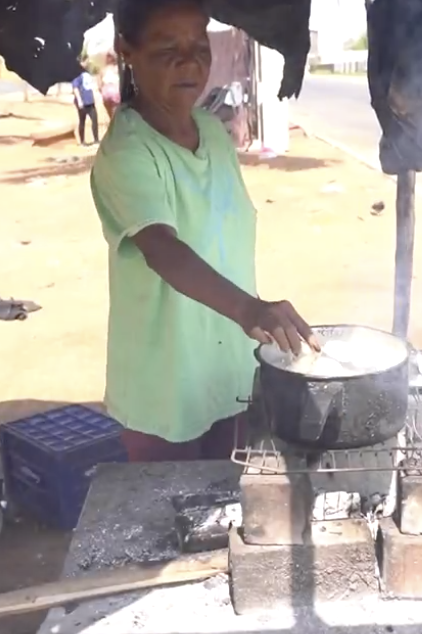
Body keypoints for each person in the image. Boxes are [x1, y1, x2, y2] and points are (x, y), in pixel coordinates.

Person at [90, 0, 319, 463]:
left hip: (228, 372)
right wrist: (249, 308)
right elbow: (162, 250)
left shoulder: (213, 134)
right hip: (165, 388)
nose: (189, 61)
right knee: (171, 523)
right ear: (125, 50)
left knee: (231, 512)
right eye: (167, 48)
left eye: (199, 44)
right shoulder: (129, 151)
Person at [71, 68, 99, 145]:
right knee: (82, 121)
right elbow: (75, 88)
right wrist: (79, 100)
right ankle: (82, 141)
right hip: (82, 102)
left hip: (90, 101)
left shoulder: (87, 73)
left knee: (95, 120)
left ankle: (96, 140)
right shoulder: (76, 74)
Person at [97, 51, 122, 121]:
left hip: (106, 93)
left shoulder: (102, 70)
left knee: (110, 114)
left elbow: (99, 86)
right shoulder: (118, 69)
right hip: (116, 93)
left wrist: (102, 91)